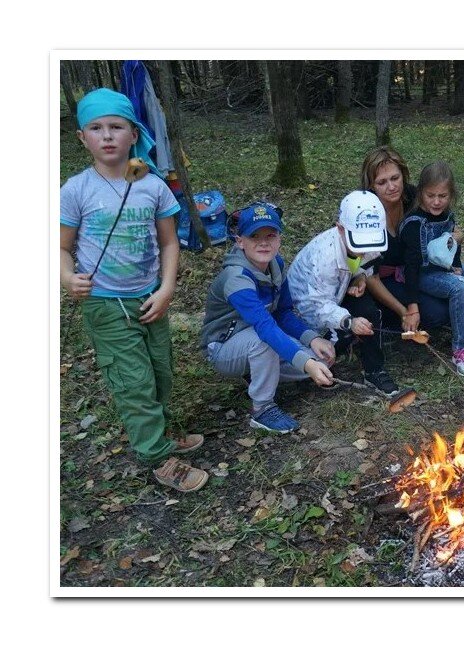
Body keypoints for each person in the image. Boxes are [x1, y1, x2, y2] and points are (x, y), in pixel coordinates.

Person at [60, 88, 207, 493]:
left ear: (132, 133)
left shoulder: (153, 186)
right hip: (107, 306)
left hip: (149, 298)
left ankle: (158, 431)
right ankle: (158, 456)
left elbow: (169, 243)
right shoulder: (76, 190)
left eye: (116, 126)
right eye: (96, 127)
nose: (107, 135)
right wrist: (67, 276)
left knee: (160, 372)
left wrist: (166, 288)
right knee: (133, 382)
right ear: (82, 137)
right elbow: (60, 246)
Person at [200, 202, 335, 434]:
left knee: (321, 361)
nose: (263, 242)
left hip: (258, 336)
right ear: (240, 241)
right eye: (254, 236)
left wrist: (312, 339)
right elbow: (265, 326)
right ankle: (262, 409)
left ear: (279, 239)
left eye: (270, 235)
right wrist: (305, 363)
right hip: (223, 346)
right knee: (264, 343)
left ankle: (257, 373)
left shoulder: (276, 265)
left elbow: (282, 313)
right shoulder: (236, 277)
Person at [399, 161, 464, 378]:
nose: (437, 202)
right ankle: (461, 348)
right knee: (463, 287)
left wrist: (457, 264)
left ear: (451, 195)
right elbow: (410, 267)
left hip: (445, 269)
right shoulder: (413, 223)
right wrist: (412, 305)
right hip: (423, 274)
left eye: (443, 196)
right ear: (420, 193)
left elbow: (453, 242)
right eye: (431, 196)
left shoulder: (448, 215)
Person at [288, 190, 400, 397]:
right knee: (324, 355)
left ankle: (374, 370)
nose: (365, 249)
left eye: (370, 243)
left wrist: (359, 278)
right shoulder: (324, 259)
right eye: (360, 243)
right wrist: (348, 321)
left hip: (340, 289)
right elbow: (316, 305)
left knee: (369, 314)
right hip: (307, 308)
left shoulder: (369, 241)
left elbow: (365, 264)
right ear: (340, 228)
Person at [358, 146, 449, 331]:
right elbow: (370, 277)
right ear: (371, 186)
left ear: (403, 174)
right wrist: (404, 311)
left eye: (395, 178)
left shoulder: (413, 197)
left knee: (448, 303)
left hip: (413, 270)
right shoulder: (365, 215)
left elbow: (441, 220)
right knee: (437, 314)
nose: (391, 187)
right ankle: (384, 317)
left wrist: (455, 236)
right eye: (382, 182)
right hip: (378, 279)